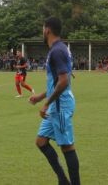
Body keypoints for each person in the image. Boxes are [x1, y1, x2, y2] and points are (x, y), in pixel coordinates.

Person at [29, 17, 80, 185]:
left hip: (60, 106)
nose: (42, 32)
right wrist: (40, 97)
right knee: (41, 141)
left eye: (43, 29)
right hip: (55, 104)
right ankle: (63, 180)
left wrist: (47, 103)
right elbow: (57, 81)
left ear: (47, 30)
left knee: (67, 146)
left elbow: (64, 81)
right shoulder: (58, 49)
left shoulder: (58, 50)